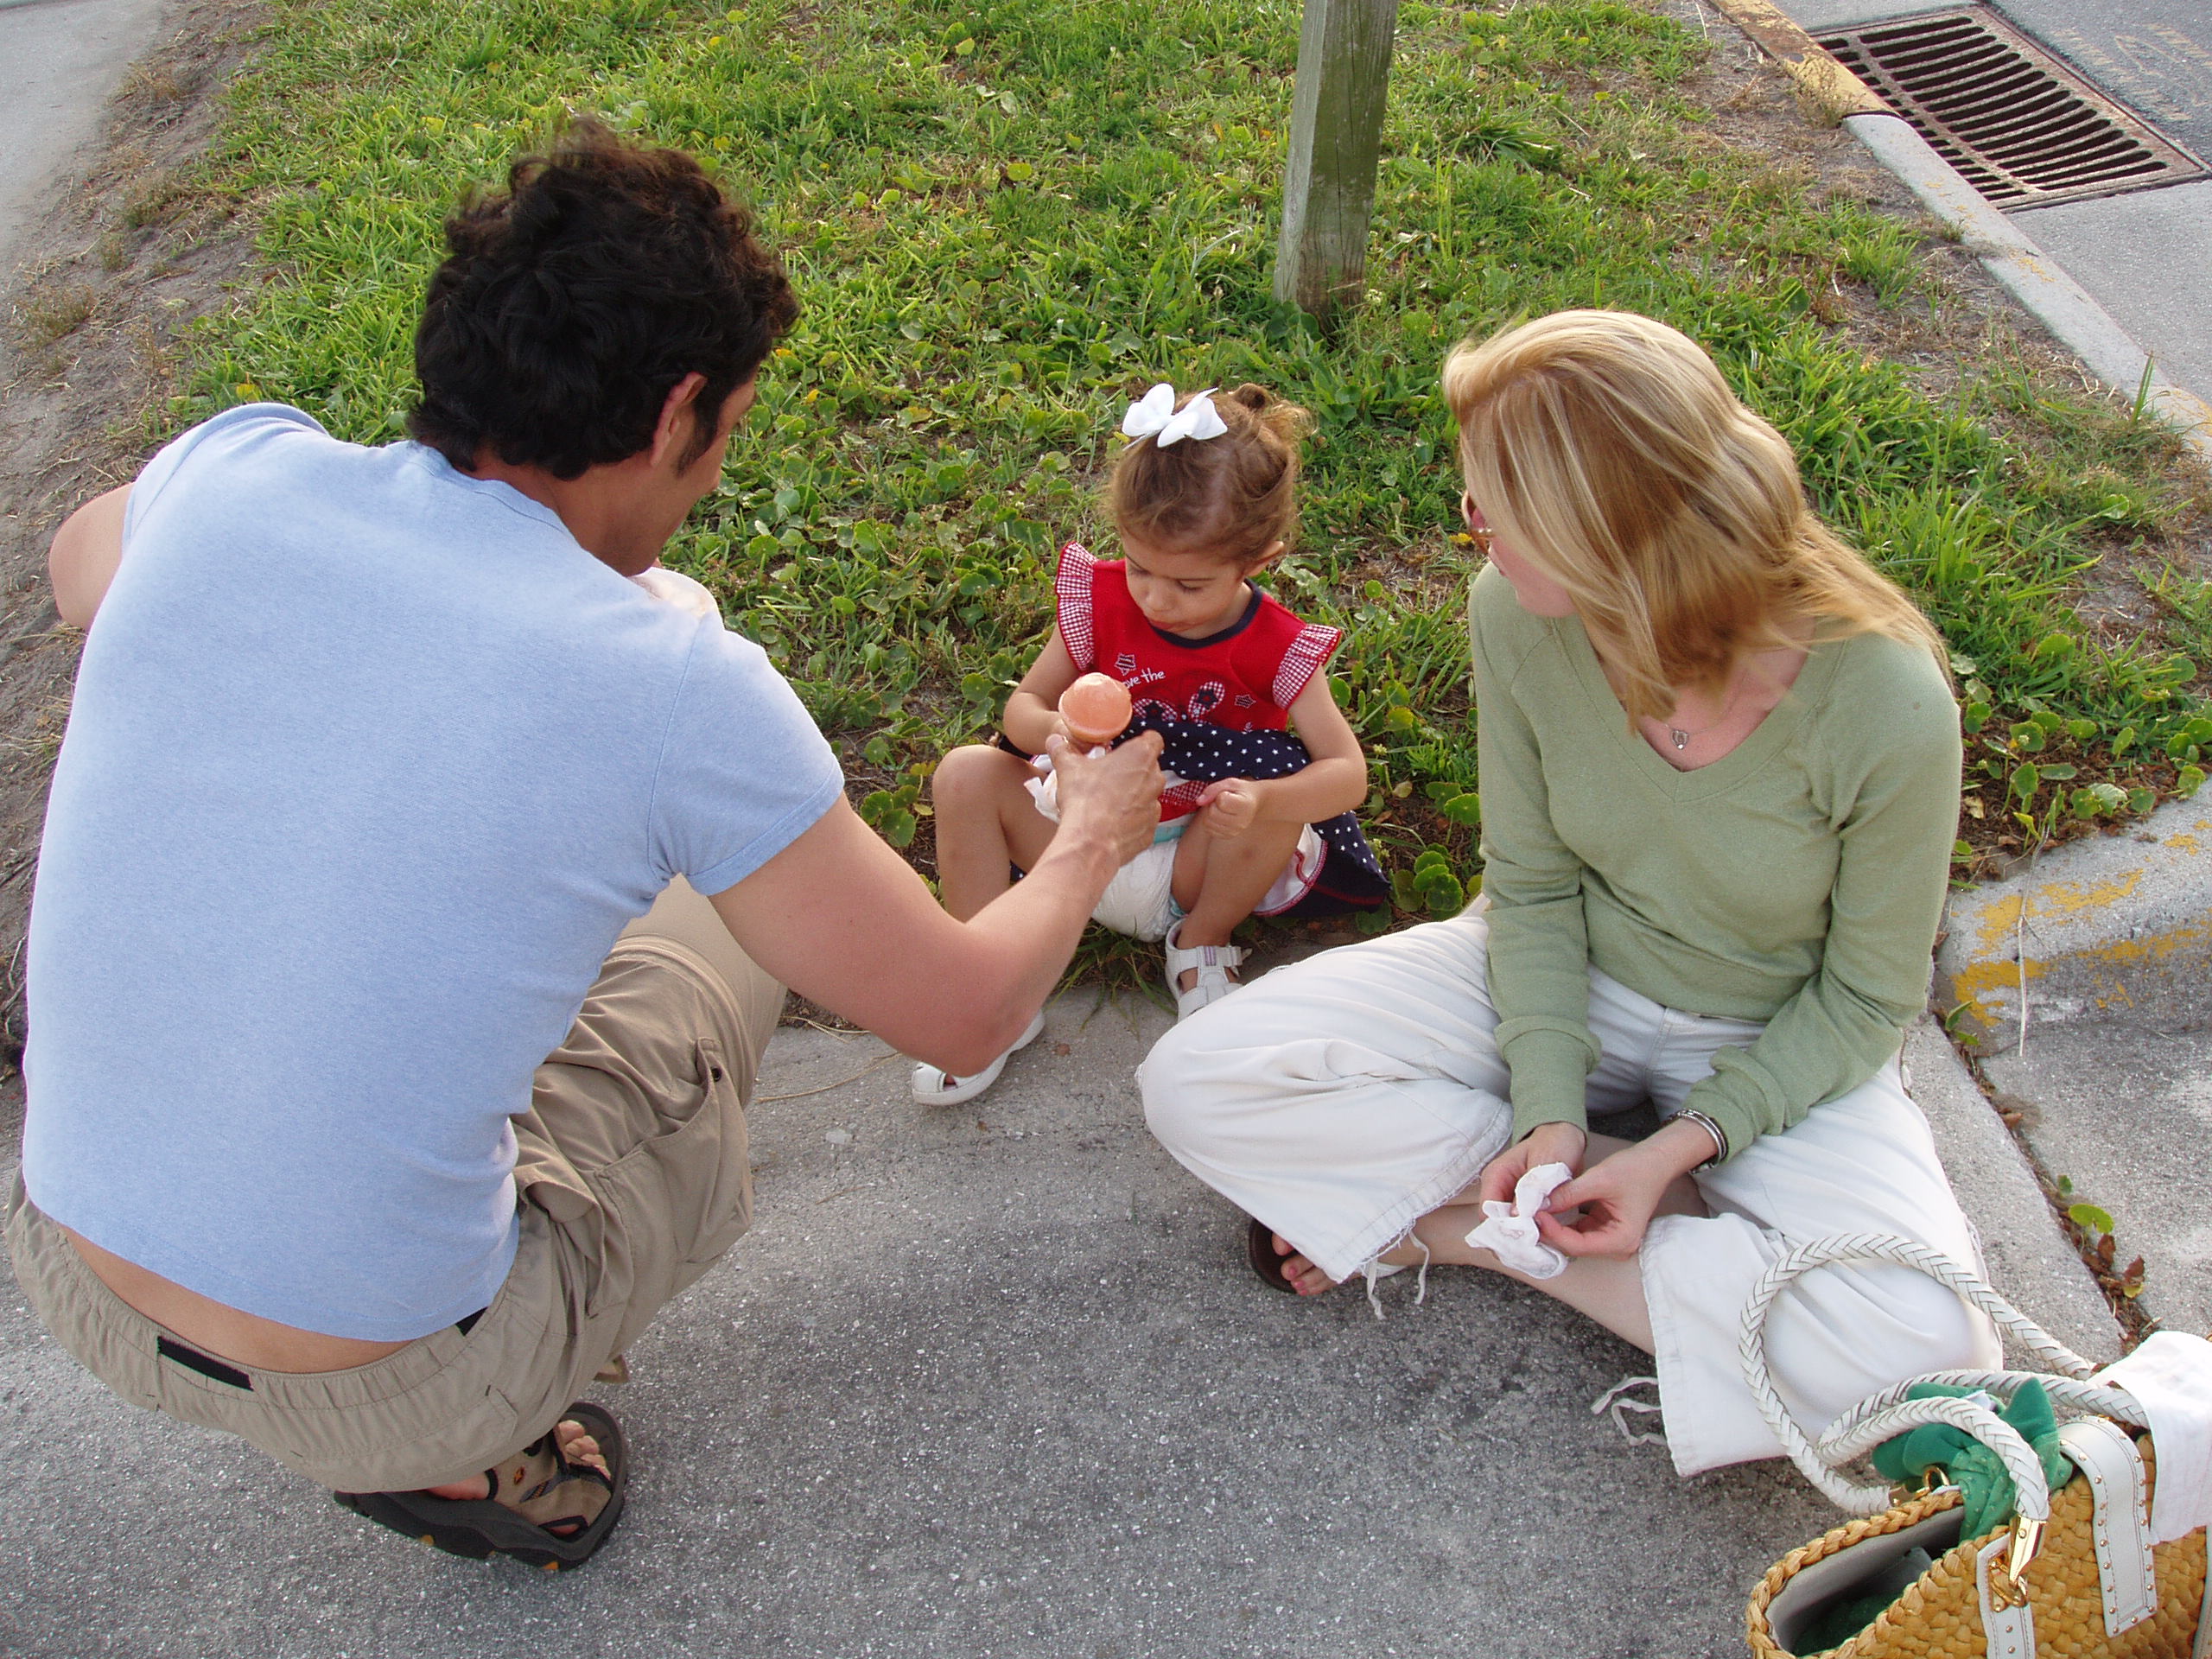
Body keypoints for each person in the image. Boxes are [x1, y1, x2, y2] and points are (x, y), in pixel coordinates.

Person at [7, 122, 1161, 1569]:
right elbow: (968, 1008)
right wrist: (1088, 840)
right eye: (732, 431)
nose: (717, 474)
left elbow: (74, 569)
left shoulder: (227, 473)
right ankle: (477, 1448)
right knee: (710, 913)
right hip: (399, 1382)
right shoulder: (672, 686)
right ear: (678, 415)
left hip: (71, 1272)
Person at [1140, 310, 2001, 1478]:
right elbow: (1534, 887)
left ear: (1607, 532)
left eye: (1491, 514)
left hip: (1775, 1033)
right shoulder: (1516, 613)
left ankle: (1453, 1229)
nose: (1474, 535)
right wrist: (1549, 1111)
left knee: (1931, 1354)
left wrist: (1680, 1146)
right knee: (1197, 1079)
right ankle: (1635, 1210)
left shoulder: (1884, 698)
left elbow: (1866, 998)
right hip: (1564, 973)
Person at [919, 382, 1384, 1104]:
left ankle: (1201, 944)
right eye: (1139, 568)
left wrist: (1262, 800)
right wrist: (1062, 733)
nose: (1157, 600)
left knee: (1276, 802)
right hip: (1078, 835)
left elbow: (1346, 774)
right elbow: (1022, 709)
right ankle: (994, 989)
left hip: (1194, 862)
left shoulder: (1277, 644)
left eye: (1190, 584)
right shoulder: (1102, 602)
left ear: (1259, 559)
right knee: (964, 774)